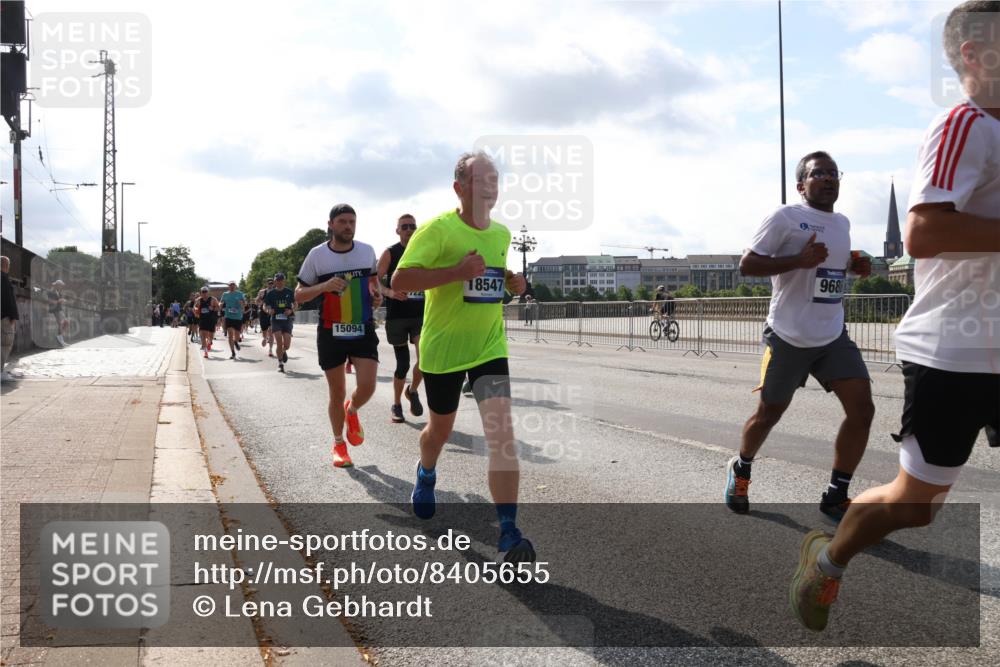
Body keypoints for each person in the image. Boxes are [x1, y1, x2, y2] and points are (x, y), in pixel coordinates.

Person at [790, 1, 999, 632]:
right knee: (916, 508)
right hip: (955, 354)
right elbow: (924, 232)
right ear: (975, 53)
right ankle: (827, 559)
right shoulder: (965, 124)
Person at [392, 151, 534, 562]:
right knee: (439, 431)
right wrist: (456, 272)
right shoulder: (438, 230)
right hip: (444, 351)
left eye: (495, 179)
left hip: (489, 347)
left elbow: (493, 280)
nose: (491, 186)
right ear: (459, 188)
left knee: (502, 438)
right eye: (481, 179)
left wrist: (514, 282)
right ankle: (426, 471)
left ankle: (508, 533)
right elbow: (401, 280)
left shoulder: (502, 235)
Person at [728, 150, 874, 523]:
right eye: (818, 173)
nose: (828, 179)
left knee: (862, 409)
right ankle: (741, 469)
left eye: (833, 173)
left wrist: (854, 266)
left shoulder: (842, 222)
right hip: (788, 336)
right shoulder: (785, 217)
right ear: (801, 184)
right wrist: (798, 261)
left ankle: (835, 494)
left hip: (831, 335)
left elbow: (831, 270)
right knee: (769, 414)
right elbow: (747, 264)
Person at [295, 204, 383, 468]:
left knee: (367, 386)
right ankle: (338, 444)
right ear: (331, 224)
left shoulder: (366, 251)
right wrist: (324, 286)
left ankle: (352, 409)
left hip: (362, 327)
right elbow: (298, 295)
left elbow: (373, 284)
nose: (348, 226)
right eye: (343, 221)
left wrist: (376, 296)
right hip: (330, 329)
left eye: (352, 222)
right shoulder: (317, 255)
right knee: (337, 391)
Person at [377, 213, 425, 423]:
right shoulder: (390, 252)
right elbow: (374, 280)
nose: (408, 229)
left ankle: (412, 390)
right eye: (404, 226)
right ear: (397, 230)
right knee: (402, 364)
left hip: (420, 314)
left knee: (426, 359)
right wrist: (389, 293)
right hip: (397, 316)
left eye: (412, 226)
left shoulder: (424, 252)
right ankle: (396, 404)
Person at [264, 273, 296, 372]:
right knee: (278, 342)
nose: (279, 282)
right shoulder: (271, 293)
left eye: (281, 280)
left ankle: (283, 351)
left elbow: (295, 303)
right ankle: (280, 363)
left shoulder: (289, 292)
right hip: (275, 320)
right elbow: (265, 305)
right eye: (277, 280)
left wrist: (291, 310)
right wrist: (268, 311)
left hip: (287, 320)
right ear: (274, 282)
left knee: (287, 345)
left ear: (284, 281)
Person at [1, 256, 19, 383]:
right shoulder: (3, 279)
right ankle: (0, 372)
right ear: (6, 265)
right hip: (4, 318)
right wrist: (13, 316)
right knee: (5, 344)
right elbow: (8, 299)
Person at [220, 281, 246, 360]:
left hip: (238, 317)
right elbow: (221, 302)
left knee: (237, 336)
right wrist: (220, 305)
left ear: (235, 286)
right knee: (230, 334)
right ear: (228, 286)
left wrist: (241, 303)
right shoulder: (225, 294)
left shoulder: (240, 294)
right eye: (230, 285)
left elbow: (244, 304)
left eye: (233, 285)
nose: (231, 286)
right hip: (228, 316)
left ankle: (236, 342)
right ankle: (233, 352)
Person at [194, 287, 219, 358]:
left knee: (210, 336)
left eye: (205, 292)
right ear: (201, 293)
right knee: (202, 335)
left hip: (211, 319)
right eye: (203, 292)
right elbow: (194, 307)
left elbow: (218, 308)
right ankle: (205, 352)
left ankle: (209, 342)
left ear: (208, 292)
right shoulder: (198, 300)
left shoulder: (213, 299)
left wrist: (213, 308)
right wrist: (196, 310)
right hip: (202, 319)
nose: (204, 293)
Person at [48, 280, 69, 346]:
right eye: (60, 285)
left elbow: (58, 300)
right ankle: (60, 340)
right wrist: (59, 301)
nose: (61, 287)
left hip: (59, 309)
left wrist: (62, 300)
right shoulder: (51, 291)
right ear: (57, 285)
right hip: (55, 310)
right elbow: (50, 301)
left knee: (65, 322)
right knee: (61, 323)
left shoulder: (58, 292)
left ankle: (60, 338)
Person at [257, 279, 275, 357]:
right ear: (266, 284)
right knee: (264, 330)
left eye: (272, 283)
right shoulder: (262, 292)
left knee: (271, 331)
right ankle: (264, 338)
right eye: (269, 283)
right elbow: (256, 301)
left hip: (272, 312)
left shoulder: (276, 291)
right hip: (263, 313)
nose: (270, 284)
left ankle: (270, 350)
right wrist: (260, 300)